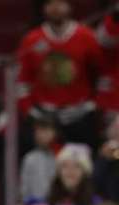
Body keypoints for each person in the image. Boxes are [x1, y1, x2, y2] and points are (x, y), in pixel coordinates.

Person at [16, 0, 104, 149]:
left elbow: (102, 74)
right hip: (44, 116)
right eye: (50, 3)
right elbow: (22, 80)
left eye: (60, 3)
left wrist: (93, 104)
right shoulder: (32, 40)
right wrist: (29, 110)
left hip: (79, 115)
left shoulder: (87, 37)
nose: (55, 8)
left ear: (70, 6)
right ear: (44, 8)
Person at [21, 115, 59, 201]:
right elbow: (24, 189)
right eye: (39, 131)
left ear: (54, 133)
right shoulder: (29, 158)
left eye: (46, 130)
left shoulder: (60, 156)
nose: (42, 135)